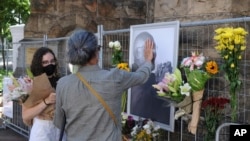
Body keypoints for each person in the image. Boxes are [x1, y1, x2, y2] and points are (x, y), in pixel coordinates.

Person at [53, 29, 154, 141]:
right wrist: (148, 61)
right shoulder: (114, 77)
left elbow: (59, 122)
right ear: (95, 53)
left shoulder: (62, 84)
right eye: (98, 48)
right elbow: (141, 76)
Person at [21, 47, 65, 141]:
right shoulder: (31, 83)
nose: (50, 64)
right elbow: (26, 115)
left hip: (60, 129)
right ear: (39, 64)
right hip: (42, 130)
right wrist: (46, 101)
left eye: (52, 61)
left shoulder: (61, 81)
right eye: (45, 62)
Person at [131, 31, 174, 126]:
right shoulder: (132, 77)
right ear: (138, 52)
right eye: (149, 50)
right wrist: (159, 86)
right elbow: (140, 103)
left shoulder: (153, 77)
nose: (153, 55)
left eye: (153, 50)